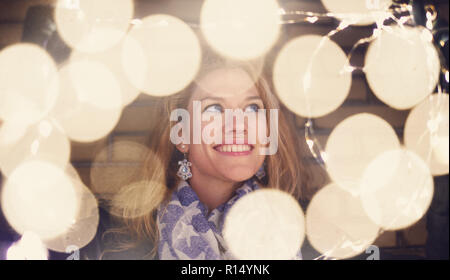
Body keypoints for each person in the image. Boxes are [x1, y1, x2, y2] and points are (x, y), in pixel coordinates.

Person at [82, 63, 313, 260]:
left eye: (252, 108)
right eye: (214, 108)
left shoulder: (316, 232)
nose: (238, 124)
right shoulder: (108, 234)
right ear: (181, 134)